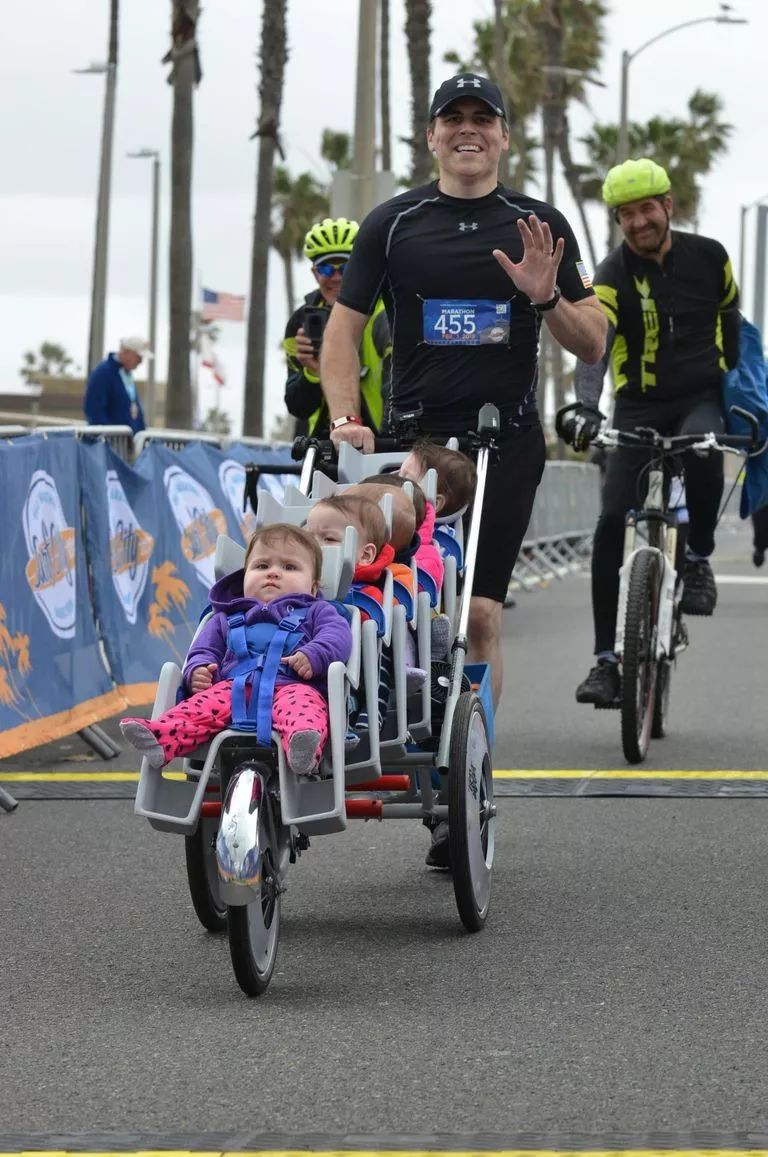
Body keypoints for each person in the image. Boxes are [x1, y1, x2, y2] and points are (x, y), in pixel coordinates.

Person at [318, 72, 606, 715]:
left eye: (484, 117)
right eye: (454, 117)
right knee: (390, 599)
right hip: (409, 443)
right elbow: (343, 331)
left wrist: (546, 295)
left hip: (504, 444)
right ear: (432, 136)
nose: (468, 128)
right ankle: (391, 728)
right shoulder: (392, 224)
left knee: (478, 615)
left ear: (504, 136)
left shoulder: (541, 225)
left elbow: (592, 343)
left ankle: (470, 767)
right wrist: (344, 417)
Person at [563, 157, 741, 707]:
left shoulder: (710, 256)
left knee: (706, 452)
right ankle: (605, 663)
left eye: (646, 209)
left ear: (667, 205)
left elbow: (731, 317)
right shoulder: (610, 271)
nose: (638, 222)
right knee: (611, 519)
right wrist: (587, 407)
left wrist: (736, 389)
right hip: (637, 406)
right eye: (626, 215)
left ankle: (698, 557)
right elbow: (595, 345)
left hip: (699, 398)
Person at [119, 524, 352, 778]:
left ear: (314, 588)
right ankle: (161, 738)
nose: (273, 573)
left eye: (289, 567)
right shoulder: (225, 618)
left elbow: (337, 636)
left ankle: (303, 747)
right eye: (261, 566)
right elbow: (203, 649)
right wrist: (198, 670)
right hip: (234, 688)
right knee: (199, 707)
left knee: (304, 710)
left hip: (293, 686)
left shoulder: (318, 611)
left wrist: (314, 654)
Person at [283, 217, 392, 437]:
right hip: (323, 446)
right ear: (314, 273)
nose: (336, 277)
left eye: (345, 268)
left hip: (380, 443)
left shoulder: (385, 314)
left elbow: (395, 387)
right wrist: (313, 372)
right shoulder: (301, 322)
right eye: (325, 269)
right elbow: (298, 407)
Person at [83, 336, 151, 433]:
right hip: (112, 443)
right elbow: (94, 410)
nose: (140, 362)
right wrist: (110, 437)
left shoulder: (126, 374)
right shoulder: (103, 373)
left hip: (129, 443)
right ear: (127, 352)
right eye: (138, 357)